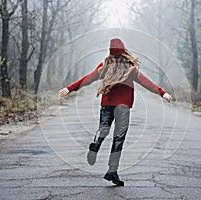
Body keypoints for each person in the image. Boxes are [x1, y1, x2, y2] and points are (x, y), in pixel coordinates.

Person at [59, 38, 172, 186]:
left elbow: (88, 79)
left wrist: (69, 89)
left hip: (107, 105)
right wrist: (162, 93)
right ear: (124, 51)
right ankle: (112, 171)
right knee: (118, 138)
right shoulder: (130, 67)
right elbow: (145, 82)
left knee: (103, 129)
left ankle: (96, 143)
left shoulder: (105, 66)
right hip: (123, 107)